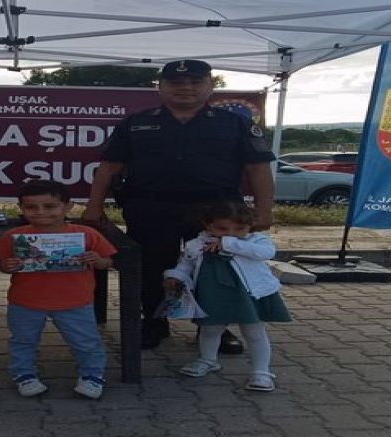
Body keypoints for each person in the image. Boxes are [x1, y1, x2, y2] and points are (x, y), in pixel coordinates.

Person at [81, 59, 275, 351]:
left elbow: (258, 169)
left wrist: (264, 210)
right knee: (151, 268)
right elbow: (108, 168)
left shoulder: (235, 123)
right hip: (151, 208)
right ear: (160, 87)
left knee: (216, 268)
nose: (186, 88)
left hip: (216, 211)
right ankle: (154, 323)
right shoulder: (136, 123)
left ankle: (214, 326)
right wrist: (94, 206)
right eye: (176, 82)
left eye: (195, 82)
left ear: (210, 86)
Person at [0, 180, 117, 400]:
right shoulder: (14, 236)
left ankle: (92, 376)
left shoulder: (86, 234)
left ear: (68, 207)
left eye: (49, 206)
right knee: (23, 341)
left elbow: (108, 261)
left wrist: (97, 260)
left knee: (86, 341)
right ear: (21, 208)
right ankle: (24, 375)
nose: (40, 212)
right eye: (31, 207)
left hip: (75, 302)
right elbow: (1, 264)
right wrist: (6, 265)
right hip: (26, 302)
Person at [163, 201, 290, 391]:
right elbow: (186, 265)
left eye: (240, 229)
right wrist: (176, 276)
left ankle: (262, 372)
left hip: (248, 295)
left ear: (249, 225)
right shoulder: (197, 245)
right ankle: (208, 360)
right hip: (213, 295)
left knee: (254, 332)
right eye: (222, 229)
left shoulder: (255, 241)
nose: (230, 233)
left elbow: (266, 253)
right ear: (208, 225)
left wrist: (228, 244)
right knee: (210, 329)